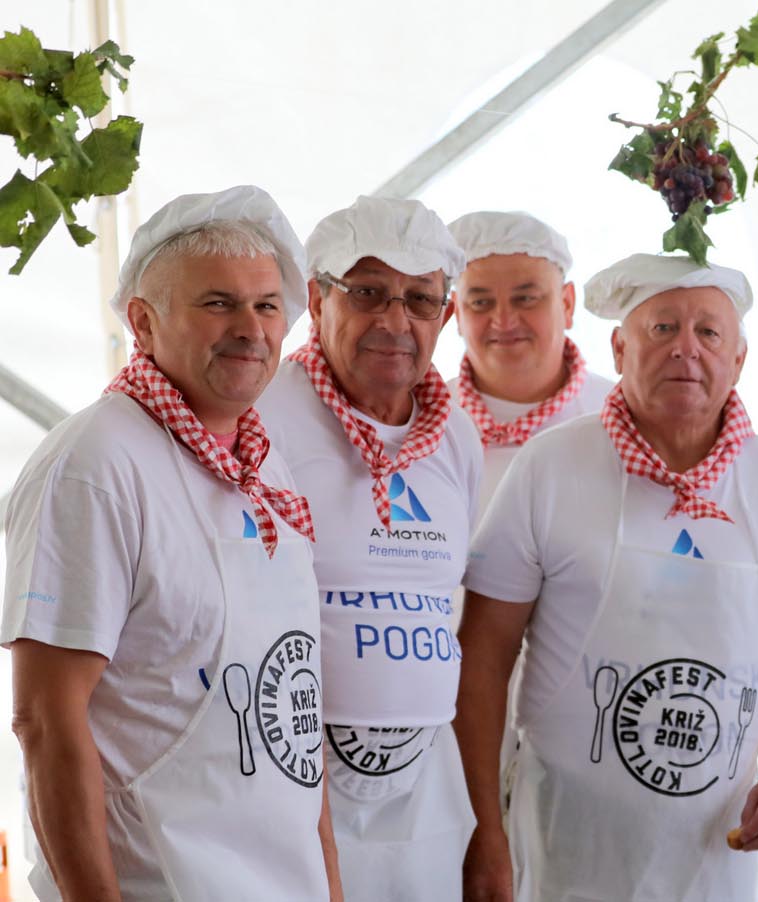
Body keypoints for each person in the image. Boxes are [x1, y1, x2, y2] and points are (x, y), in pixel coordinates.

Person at [455, 253, 758, 901]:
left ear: (739, 360)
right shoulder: (551, 466)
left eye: (709, 333)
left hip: (718, 860)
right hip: (562, 854)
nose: (685, 349)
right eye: (663, 328)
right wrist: (485, 832)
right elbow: (480, 656)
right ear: (619, 348)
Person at [3, 186, 339, 900]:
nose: (250, 328)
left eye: (267, 305)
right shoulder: (96, 462)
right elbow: (45, 719)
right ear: (142, 322)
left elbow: (298, 716)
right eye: (218, 303)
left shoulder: (265, 466)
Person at [255, 195, 480, 901]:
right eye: (368, 292)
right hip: (286, 793)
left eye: (420, 300)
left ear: (446, 315)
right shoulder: (262, 416)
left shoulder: (457, 437)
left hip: (425, 807)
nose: (394, 321)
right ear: (317, 298)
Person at [446, 211, 611, 506]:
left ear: (567, 304)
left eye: (526, 299)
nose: (504, 321)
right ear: (457, 313)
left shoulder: (621, 417)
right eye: (481, 302)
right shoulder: (423, 422)